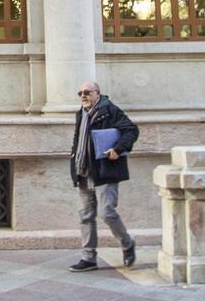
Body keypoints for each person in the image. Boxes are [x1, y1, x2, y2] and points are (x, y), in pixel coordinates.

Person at [68, 80, 139, 272]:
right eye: (80, 92)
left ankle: (127, 244)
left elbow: (131, 131)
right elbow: (79, 139)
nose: (83, 95)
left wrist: (118, 149)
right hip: (83, 171)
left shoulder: (109, 110)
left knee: (106, 212)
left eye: (87, 92)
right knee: (85, 216)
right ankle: (88, 258)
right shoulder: (80, 113)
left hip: (104, 171)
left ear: (98, 94)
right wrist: (74, 158)